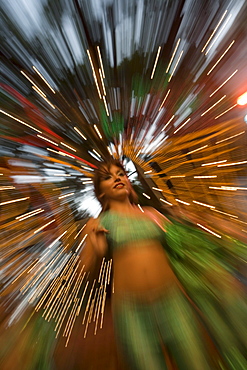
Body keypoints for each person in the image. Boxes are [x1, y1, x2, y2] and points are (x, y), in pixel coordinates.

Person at [80, 159, 218, 370]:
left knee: (197, 363)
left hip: (173, 301)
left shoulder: (152, 214)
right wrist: (95, 248)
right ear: (101, 193)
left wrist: (193, 223)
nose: (117, 178)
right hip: (131, 311)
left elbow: (185, 249)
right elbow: (85, 272)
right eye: (108, 177)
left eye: (120, 173)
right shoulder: (98, 224)